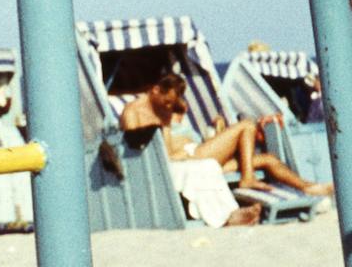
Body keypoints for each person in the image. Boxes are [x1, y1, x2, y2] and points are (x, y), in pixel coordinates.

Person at [121, 74, 331, 198]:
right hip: (190, 159)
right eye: (167, 102)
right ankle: (248, 179)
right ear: (155, 90)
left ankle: (309, 187)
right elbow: (148, 153)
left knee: (268, 160)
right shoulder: (133, 113)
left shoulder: (164, 110)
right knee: (246, 125)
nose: (170, 107)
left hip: (200, 156)